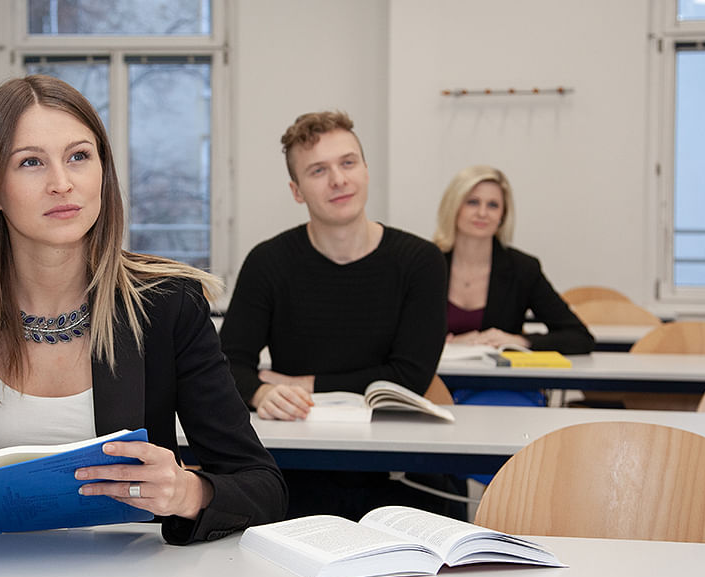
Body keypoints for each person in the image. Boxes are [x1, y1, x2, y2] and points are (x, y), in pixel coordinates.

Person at [0, 75, 286, 545]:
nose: (61, 183)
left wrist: (186, 492)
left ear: (103, 174)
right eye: (31, 162)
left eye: (79, 157)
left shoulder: (167, 303)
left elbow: (262, 486)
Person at [219, 111, 451, 519]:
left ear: (365, 169)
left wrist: (299, 383)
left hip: (401, 464)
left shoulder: (421, 262)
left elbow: (410, 376)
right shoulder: (268, 262)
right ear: (297, 191)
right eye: (318, 170)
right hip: (300, 463)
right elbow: (227, 364)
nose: (338, 180)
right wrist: (260, 392)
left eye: (348, 163)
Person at [434, 165, 594, 354]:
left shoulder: (523, 269)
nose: (482, 213)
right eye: (472, 202)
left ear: (503, 216)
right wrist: (448, 343)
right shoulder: (425, 263)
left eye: (493, 205)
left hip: (501, 380)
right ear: (453, 207)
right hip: (435, 380)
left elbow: (579, 337)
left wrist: (518, 341)